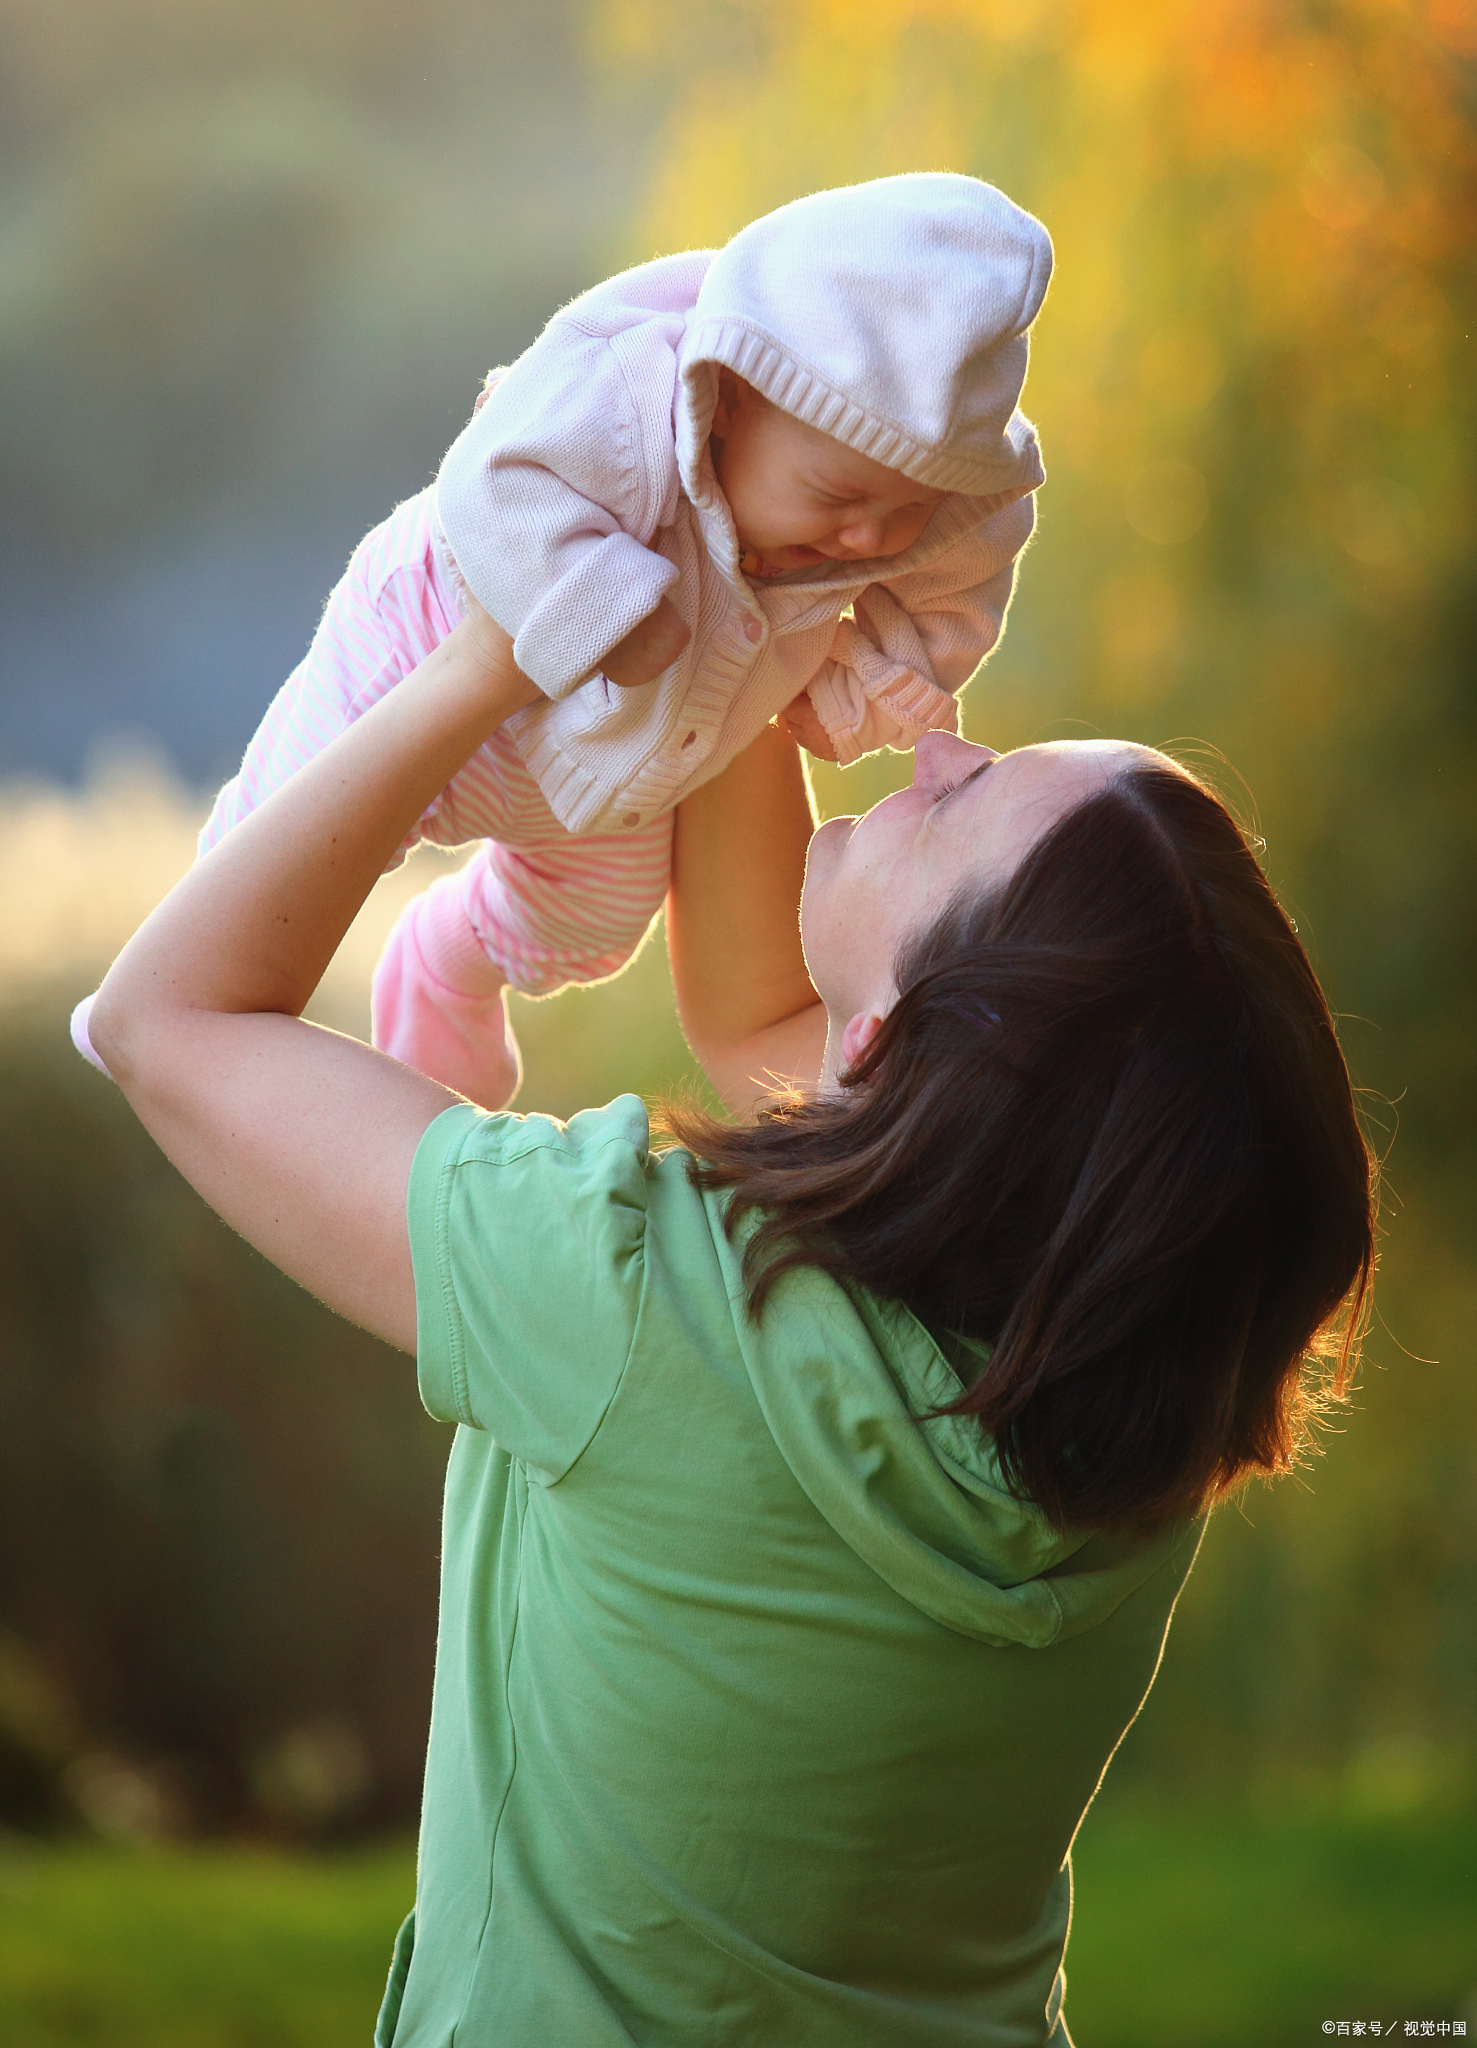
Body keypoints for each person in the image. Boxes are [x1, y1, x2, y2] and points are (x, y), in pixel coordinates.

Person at [86, 599, 1374, 2046]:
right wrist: (738, 607)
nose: (942, 753)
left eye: (967, 805)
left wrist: (485, 655)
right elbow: (774, 1013)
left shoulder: (637, 1295)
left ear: (895, 1046)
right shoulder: (1133, 1385)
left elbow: (169, 1022)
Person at [73, 172, 1052, 1107]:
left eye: (905, 507)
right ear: (735, 396)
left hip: (621, 754)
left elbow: (963, 565)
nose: (870, 539)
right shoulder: (622, 390)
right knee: (281, 834)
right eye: (838, 499)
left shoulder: (902, 497)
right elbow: (492, 483)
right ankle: (157, 997)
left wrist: (875, 681)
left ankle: (447, 952)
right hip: (435, 646)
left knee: (592, 927)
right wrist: (605, 607)